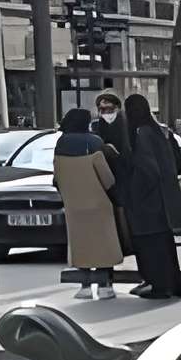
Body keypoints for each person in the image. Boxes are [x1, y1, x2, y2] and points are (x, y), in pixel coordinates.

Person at [116, 91, 181, 299]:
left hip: (148, 202)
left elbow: (147, 169)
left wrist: (132, 193)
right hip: (163, 200)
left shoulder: (141, 133)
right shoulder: (159, 132)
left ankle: (159, 287)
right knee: (164, 245)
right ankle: (172, 285)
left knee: (150, 245)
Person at [53, 108, 124, 301]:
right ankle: (104, 286)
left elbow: (57, 177)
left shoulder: (61, 144)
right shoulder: (95, 142)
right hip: (99, 203)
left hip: (74, 205)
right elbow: (107, 178)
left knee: (81, 245)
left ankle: (84, 286)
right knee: (103, 246)